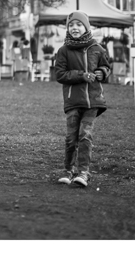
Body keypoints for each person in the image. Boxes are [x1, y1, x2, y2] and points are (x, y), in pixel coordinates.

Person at [54, 11, 111, 188]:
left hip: (93, 101)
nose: (75, 28)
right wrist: (81, 75)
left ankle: (84, 172)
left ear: (86, 27)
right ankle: (67, 170)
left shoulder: (97, 48)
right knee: (71, 138)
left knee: (85, 135)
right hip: (73, 101)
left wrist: (102, 72)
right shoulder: (63, 51)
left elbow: (106, 67)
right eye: (71, 25)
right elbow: (60, 74)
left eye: (79, 24)